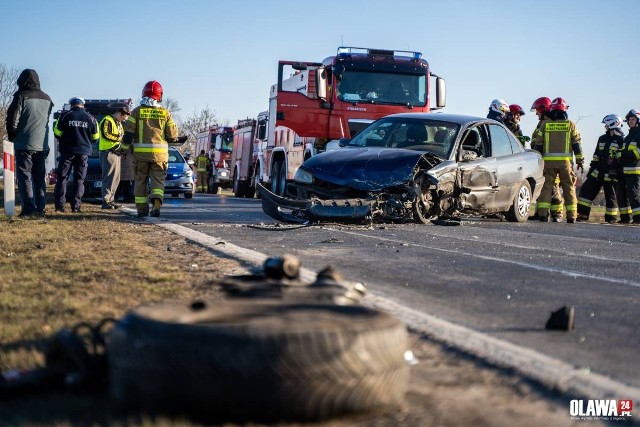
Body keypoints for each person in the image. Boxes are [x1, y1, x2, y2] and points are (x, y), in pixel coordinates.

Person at [120, 80, 181, 218]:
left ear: (144, 93)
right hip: (160, 157)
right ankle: (156, 205)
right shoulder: (165, 113)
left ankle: (142, 210)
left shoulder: (136, 112)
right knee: (158, 181)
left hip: (141, 156)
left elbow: (128, 134)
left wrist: (123, 149)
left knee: (140, 181)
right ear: (159, 95)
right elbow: (172, 136)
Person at [5, 69, 54, 217]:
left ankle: (28, 209)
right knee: (39, 177)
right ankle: (40, 208)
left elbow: (12, 120)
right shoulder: (48, 99)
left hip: (24, 143)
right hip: (42, 144)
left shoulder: (21, 96)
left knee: (24, 176)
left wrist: (12, 136)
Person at [531, 97, 584, 223]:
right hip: (565, 164)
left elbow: (538, 144)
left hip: (548, 164)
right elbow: (576, 144)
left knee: (546, 187)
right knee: (569, 188)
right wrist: (580, 161)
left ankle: (543, 215)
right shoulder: (570, 125)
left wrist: (538, 161)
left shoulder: (545, 125)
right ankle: (572, 216)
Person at [53, 97, 99, 213]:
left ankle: (60, 206)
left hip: (67, 151)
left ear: (71, 105)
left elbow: (57, 133)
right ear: (82, 105)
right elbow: (96, 138)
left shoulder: (64, 116)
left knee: (62, 178)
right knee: (79, 180)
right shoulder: (91, 117)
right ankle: (76, 207)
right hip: (83, 153)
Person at [576, 115, 624, 223]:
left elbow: (620, 159)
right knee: (586, 190)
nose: (605, 126)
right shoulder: (602, 138)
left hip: (611, 173)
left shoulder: (621, 139)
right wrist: (592, 168)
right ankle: (583, 215)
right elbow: (596, 155)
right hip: (598, 171)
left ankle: (611, 219)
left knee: (610, 196)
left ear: (613, 124)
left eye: (606, 124)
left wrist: (615, 171)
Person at [530, 96, 563, 221]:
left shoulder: (547, 123)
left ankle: (557, 214)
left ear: (542, 109)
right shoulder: (543, 122)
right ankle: (541, 212)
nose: (536, 113)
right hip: (542, 160)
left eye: (537, 110)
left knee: (552, 186)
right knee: (543, 186)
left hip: (547, 160)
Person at [99, 106, 131, 209]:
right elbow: (106, 135)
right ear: (119, 113)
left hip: (117, 153)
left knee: (115, 179)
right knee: (109, 178)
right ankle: (106, 201)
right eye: (124, 117)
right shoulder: (107, 120)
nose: (124, 119)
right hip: (108, 152)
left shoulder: (119, 123)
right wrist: (121, 139)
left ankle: (111, 200)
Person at [614, 109, 640, 224]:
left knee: (633, 195)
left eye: (633, 119)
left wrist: (622, 154)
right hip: (623, 171)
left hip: (634, 171)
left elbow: (637, 153)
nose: (630, 121)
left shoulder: (639, 135)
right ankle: (625, 218)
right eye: (629, 119)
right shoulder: (629, 136)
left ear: (638, 120)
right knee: (621, 195)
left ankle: (638, 218)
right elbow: (624, 150)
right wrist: (616, 153)